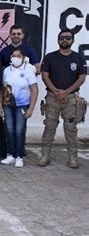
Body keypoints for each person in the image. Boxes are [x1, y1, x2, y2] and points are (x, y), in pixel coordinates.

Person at [38, 29, 86, 169]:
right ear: (58, 40)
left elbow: (82, 78)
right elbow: (44, 76)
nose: (64, 40)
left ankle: (73, 158)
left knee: (71, 128)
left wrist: (66, 92)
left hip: (71, 99)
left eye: (68, 38)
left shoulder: (78, 58)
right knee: (49, 127)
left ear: (72, 40)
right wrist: (56, 92)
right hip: (53, 98)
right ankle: (45, 156)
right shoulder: (49, 57)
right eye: (62, 38)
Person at [0, 48, 38, 167]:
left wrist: (31, 108)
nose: (15, 58)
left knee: (19, 130)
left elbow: (34, 89)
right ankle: (10, 155)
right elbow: (2, 89)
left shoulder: (28, 70)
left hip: (22, 105)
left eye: (18, 56)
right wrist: (0, 106)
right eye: (13, 56)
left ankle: (19, 156)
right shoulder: (6, 70)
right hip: (8, 105)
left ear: (23, 57)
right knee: (9, 129)